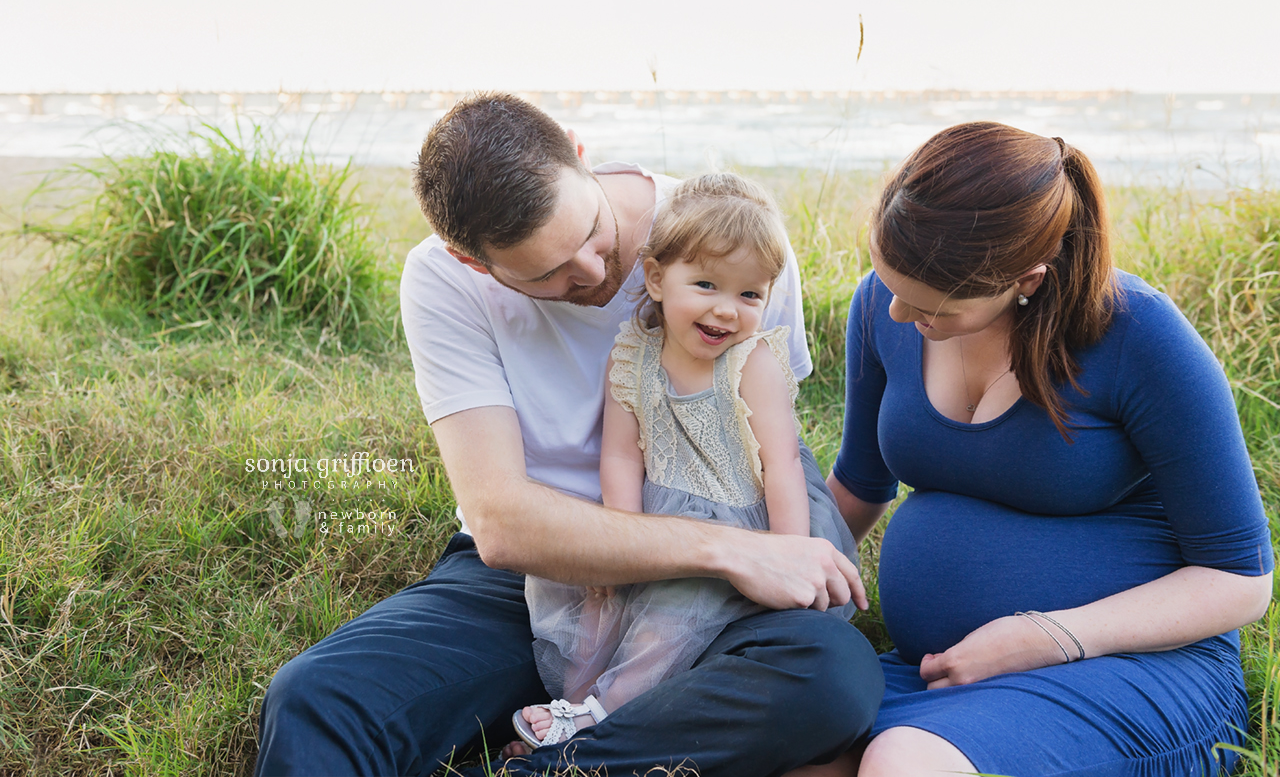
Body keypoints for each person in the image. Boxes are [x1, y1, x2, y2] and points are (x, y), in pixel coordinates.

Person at [251, 92, 884, 777]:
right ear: (474, 262)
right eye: (544, 273)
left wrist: (767, 552)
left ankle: (551, 761)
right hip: (544, 572)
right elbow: (503, 523)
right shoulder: (441, 282)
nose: (588, 273)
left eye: (590, 234)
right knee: (317, 698)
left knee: (830, 675)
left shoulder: (728, 236)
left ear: (580, 156)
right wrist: (724, 551)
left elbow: (773, 444)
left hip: (716, 579)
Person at [825, 121, 1274, 776]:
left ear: (1025, 278)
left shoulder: (1138, 335)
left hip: (1126, 672)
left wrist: (1051, 637)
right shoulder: (885, 307)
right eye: (890, 282)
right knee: (787, 747)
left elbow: (1240, 580)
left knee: (901, 763)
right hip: (941, 677)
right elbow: (859, 487)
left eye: (932, 306)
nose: (896, 313)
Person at [514, 174, 861, 748]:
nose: (727, 311)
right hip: (659, 521)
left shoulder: (753, 364)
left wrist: (789, 549)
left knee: (670, 621)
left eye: (750, 295)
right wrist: (622, 548)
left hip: (746, 521)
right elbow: (621, 455)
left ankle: (601, 718)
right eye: (706, 284)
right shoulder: (632, 356)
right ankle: (576, 697)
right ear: (655, 277)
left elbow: (781, 466)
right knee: (590, 606)